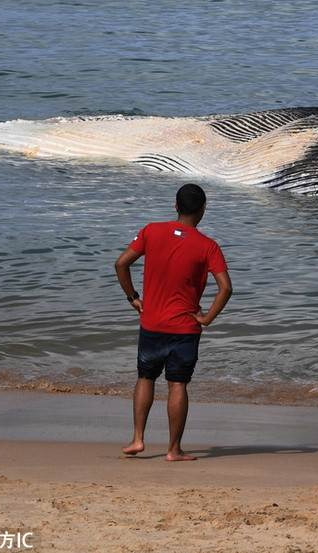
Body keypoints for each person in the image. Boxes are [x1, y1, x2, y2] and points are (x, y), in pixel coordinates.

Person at [115, 183, 233, 461]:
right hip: (185, 329)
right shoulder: (208, 246)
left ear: (175, 205)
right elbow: (226, 288)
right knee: (177, 385)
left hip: (152, 323)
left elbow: (121, 264)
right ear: (203, 209)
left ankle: (137, 439)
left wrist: (133, 297)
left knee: (145, 377)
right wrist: (207, 319)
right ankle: (173, 450)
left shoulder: (151, 231)